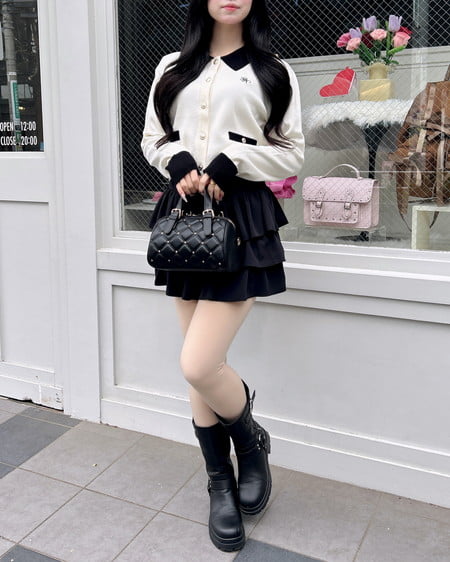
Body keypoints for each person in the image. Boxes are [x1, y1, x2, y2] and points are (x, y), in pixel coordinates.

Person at [141, 0, 304, 552]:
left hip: (243, 221)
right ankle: (219, 482)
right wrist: (178, 161)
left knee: (198, 362)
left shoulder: (273, 71)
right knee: (199, 368)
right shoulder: (171, 66)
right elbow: (153, 138)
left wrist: (235, 160)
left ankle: (251, 443)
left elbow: (291, 153)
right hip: (184, 222)